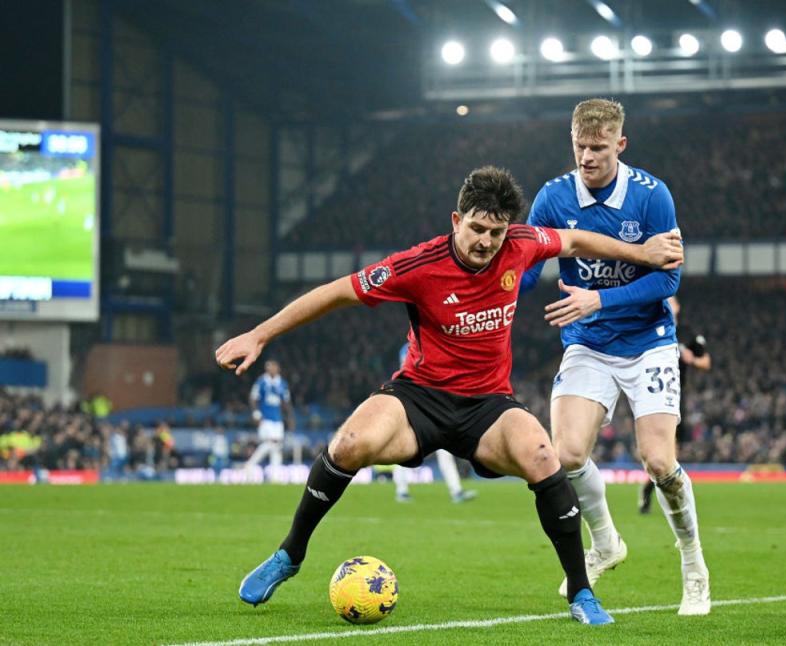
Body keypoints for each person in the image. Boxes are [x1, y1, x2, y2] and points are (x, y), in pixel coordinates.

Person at [216, 165, 682, 624]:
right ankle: (290, 554)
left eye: (496, 233)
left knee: (544, 455)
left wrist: (640, 253)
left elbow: (575, 239)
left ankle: (581, 591)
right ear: (456, 221)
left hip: (488, 405)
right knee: (348, 445)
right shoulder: (417, 265)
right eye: (477, 229)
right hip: (419, 397)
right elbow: (336, 292)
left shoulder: (521, 243)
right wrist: (259, 335)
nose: (486, 242)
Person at [519, 98, 711, 615]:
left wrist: (598, 297)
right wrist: (500, 290)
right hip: (587, 342)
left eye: (598, 148)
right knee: (568, 455)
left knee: (658, 461)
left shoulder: (652, 196)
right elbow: (531, 267)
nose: (587, 156)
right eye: (580, 146)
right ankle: (606, 543)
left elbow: (668, 277)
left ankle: (693, 564)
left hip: (648, 340)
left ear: (620, 145)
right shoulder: (554, 197)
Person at [639, 296, 711, 514]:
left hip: (676, 397)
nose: (668, 304)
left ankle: (651, 491)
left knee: (670, 454)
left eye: (672, 302)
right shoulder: (648, 328)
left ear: (678, 307)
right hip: (651, 395)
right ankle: (657, 494)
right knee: (660, 452)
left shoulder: (688, 334)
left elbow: (706, 362)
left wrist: (692, 360)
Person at [393, 343, 477, 504]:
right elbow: (409, 374)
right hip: (415, 402)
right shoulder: (408, 348)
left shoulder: (432, 343)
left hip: (434, 403)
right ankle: (402, 490)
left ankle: (456, 491)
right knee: (403, 447)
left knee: (445, 450)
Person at [244, 359, 294, 480]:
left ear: (277, 368)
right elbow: (253, 398)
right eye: (268, 367)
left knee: (276, 447)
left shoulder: (282, 383)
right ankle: (250, 465)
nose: (270, 369)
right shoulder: (261, 382)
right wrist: (256, 414)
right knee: (271, 443)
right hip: (265, 419)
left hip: (278, 419)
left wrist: (290, 417)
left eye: (272, 366)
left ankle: (275, 476)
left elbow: (286, 402)